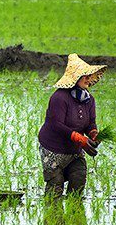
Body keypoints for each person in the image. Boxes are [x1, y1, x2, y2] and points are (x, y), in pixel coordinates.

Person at [38, 54, 107, 198]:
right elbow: (55, 125)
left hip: (74, 151)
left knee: (79, 181)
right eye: (85, 76)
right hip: (53, 149)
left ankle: (75, 217)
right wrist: (79, 138)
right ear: (75, 78)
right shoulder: (59, 98)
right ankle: (52, 216)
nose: (89, 79)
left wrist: (93, 134)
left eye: (90, 76)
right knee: (55, 188)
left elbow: (90, 122)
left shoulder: (89, 100)